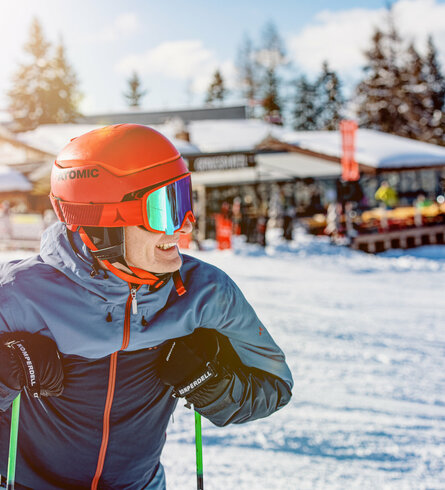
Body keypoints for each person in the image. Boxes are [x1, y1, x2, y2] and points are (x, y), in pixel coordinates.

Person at [0, 124, 293, 490]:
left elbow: (275, 386)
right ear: (102, 220)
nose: (185, 225)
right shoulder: (18, 294)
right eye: (165, 208)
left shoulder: (206, 294)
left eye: (184, 200)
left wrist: (213, 384)